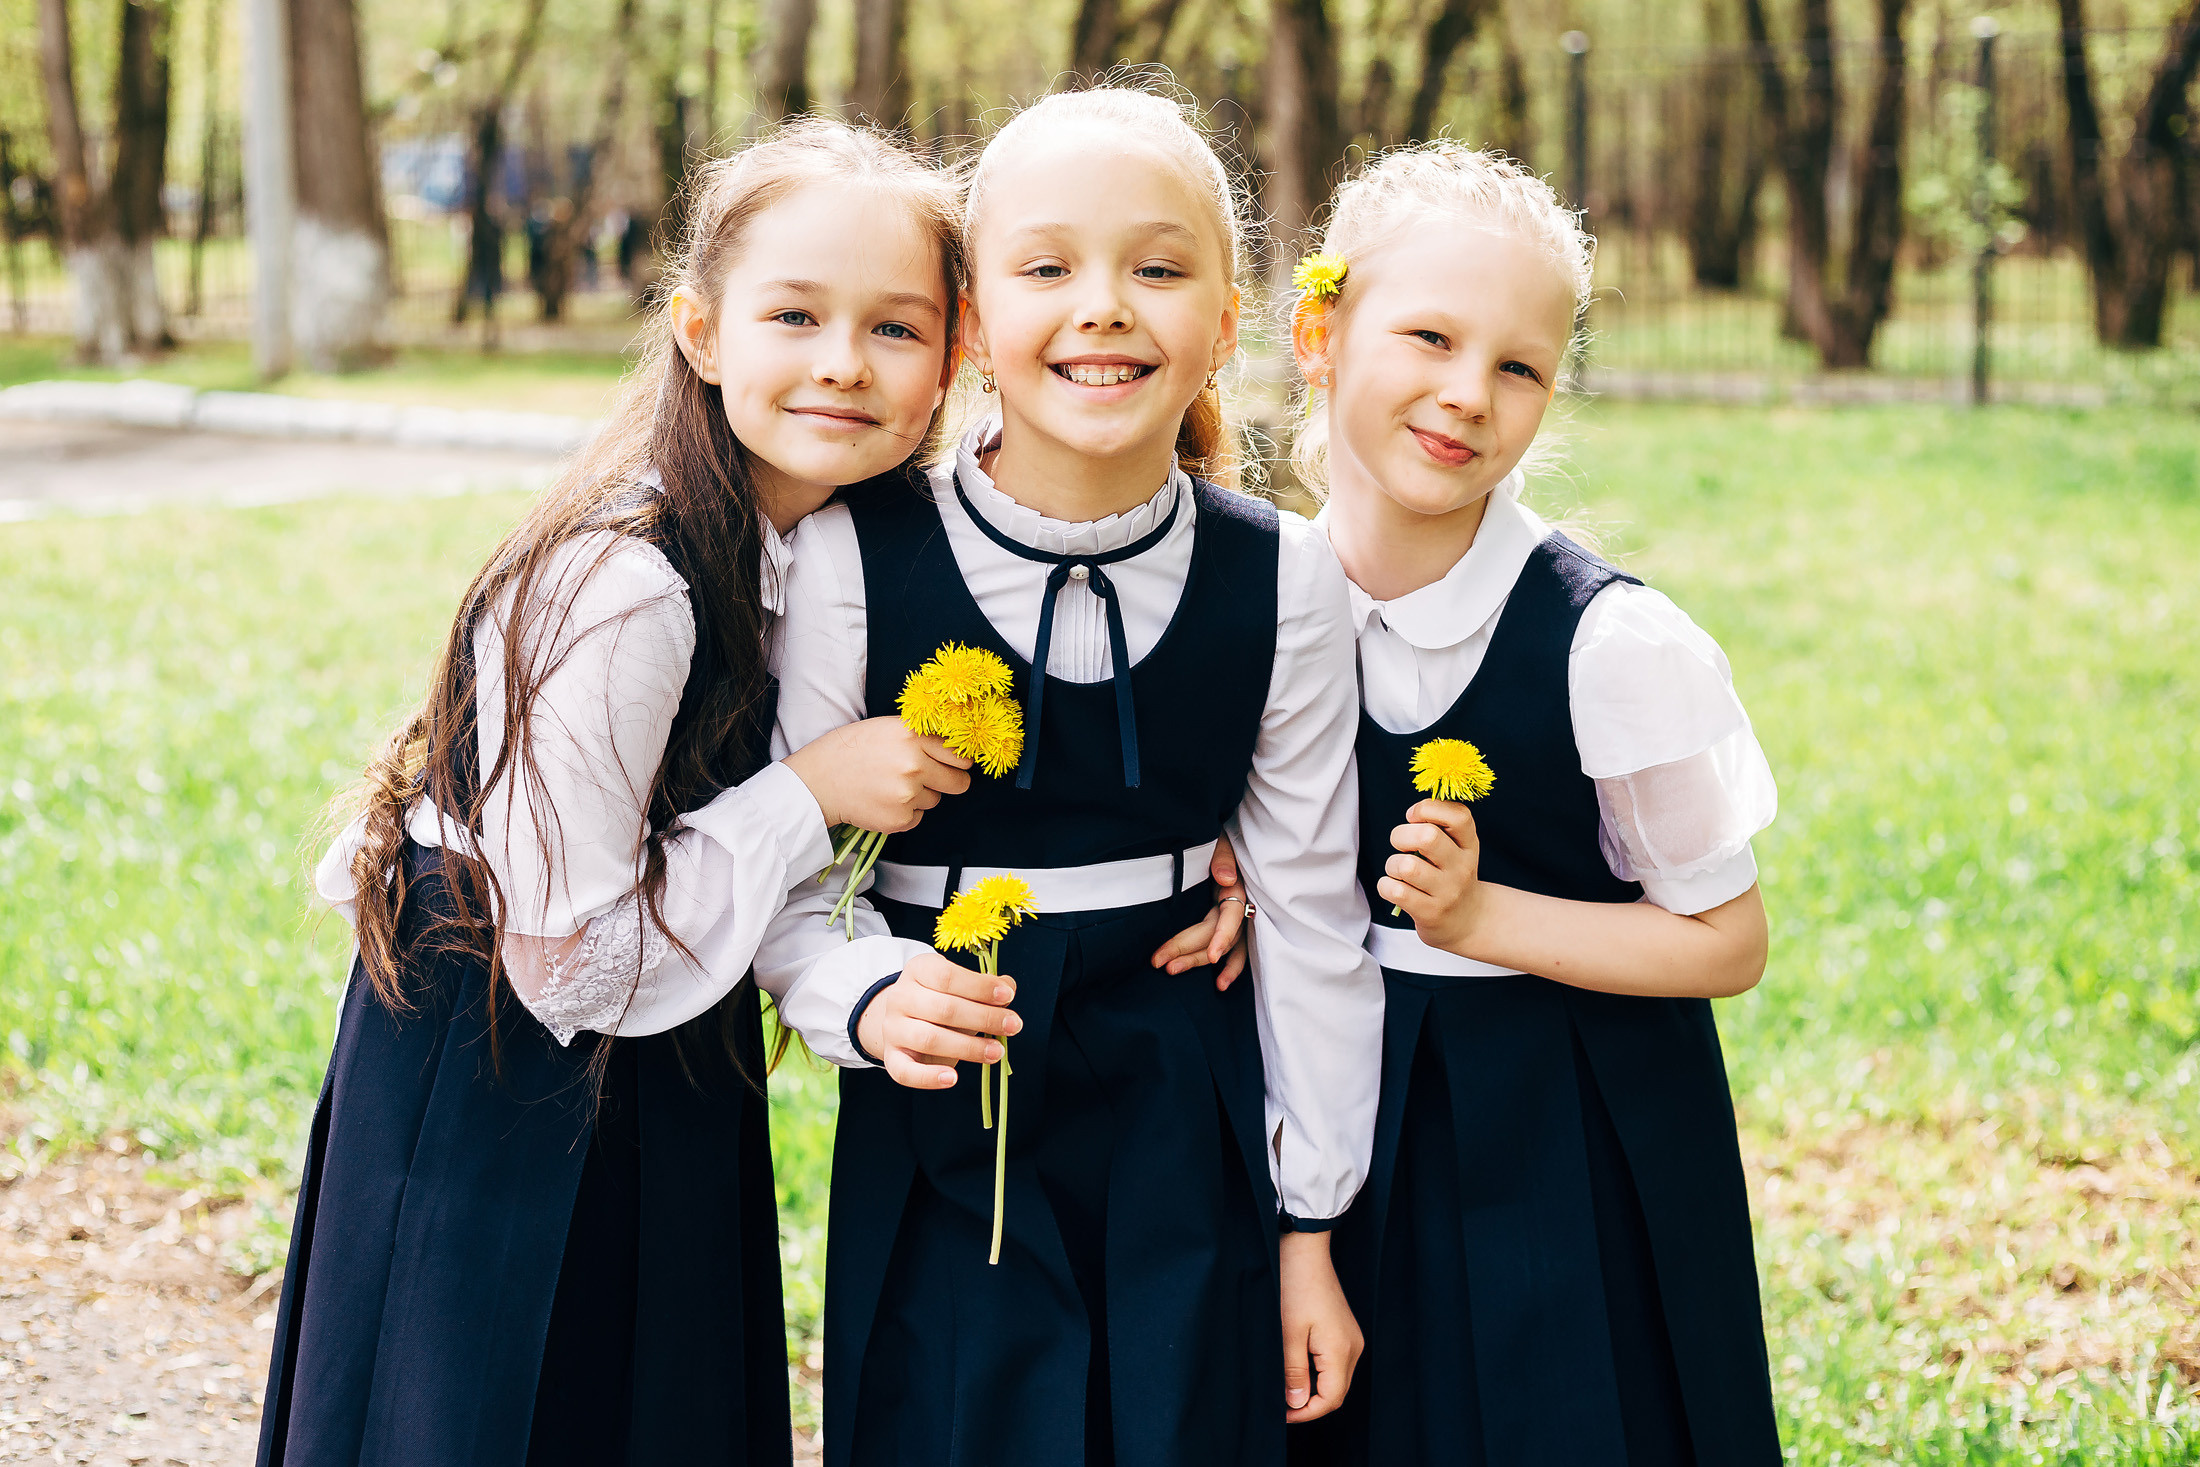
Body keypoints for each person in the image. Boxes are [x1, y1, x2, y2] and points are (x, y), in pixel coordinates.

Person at [256, 120, 973, 1467]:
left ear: (952, 358)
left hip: (663, 1053)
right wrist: (807, 792)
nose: (842, 362)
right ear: (702, 331)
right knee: (485, 1411)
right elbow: (572, 958)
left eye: (896, 328)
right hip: (508, 1064)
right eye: (796, 314)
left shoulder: (836, 544)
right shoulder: (626, 584)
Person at [765, 83, 1383, 1467]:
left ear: (1223, 328)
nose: (1104, 308)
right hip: (951, 1081)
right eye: (1048, 269)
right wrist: (859, 995)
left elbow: (1311, 916)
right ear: (976, 323)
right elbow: (788, 879)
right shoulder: (858, 557)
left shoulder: (1281, 577)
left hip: (1183, 1087)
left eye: (1158, 271)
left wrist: (1309, 1227)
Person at [1282, 143, 1784, 1466]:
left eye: (1519, 367)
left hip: (1566, 1133)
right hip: (1338, 1108)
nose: (1468, 395)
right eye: (1430, 337)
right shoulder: (1255, 599)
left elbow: (1725, 942)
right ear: (1319, 334)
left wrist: (1485, 913)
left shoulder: (1611, 646)